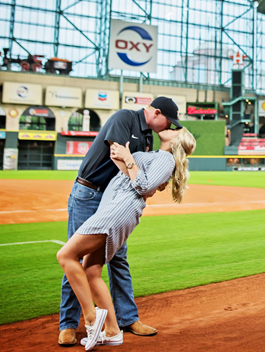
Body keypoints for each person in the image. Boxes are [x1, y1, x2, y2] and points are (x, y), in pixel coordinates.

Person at [57, 97, 183, 346]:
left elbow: (138, 171)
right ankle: (69, 324)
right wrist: (144, 183)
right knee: (77, 256)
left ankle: (126, 319)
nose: (169, 126)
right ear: (156, 113)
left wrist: (147, 181)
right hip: (90, 192)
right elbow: (118, 159)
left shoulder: (148, 138)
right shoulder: (124, 118)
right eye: (168, 121)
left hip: (115, 201)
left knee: (118, 259)